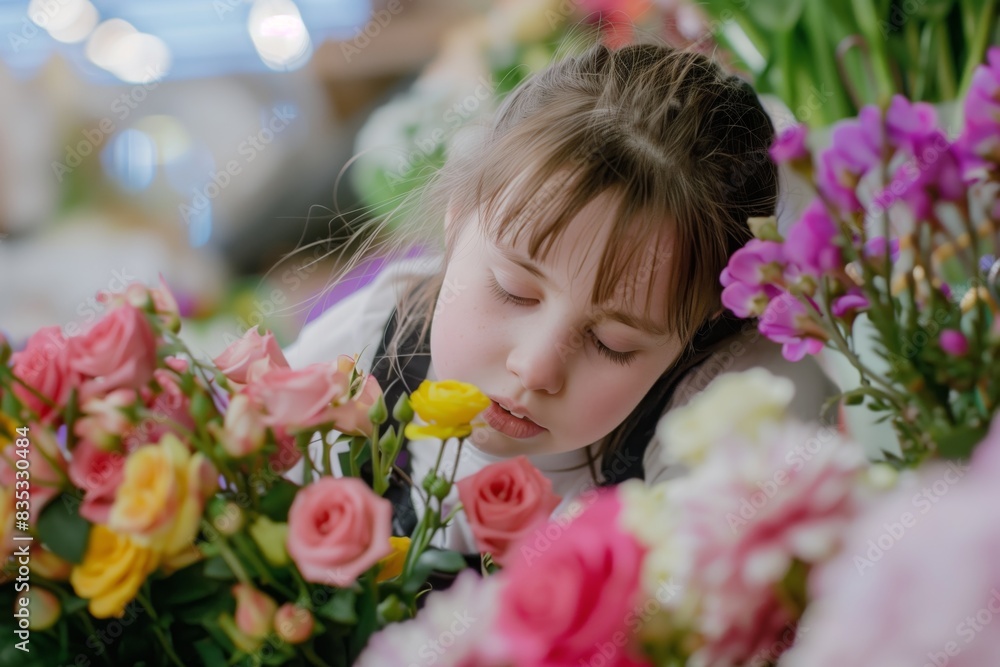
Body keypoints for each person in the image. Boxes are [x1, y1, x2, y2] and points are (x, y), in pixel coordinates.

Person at [283, 42, 839, 554]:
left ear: (699, 328)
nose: (536, 367)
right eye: (513, 292)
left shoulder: (708, 422)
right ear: (456, 220)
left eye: (611, 342)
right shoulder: (370, 341)